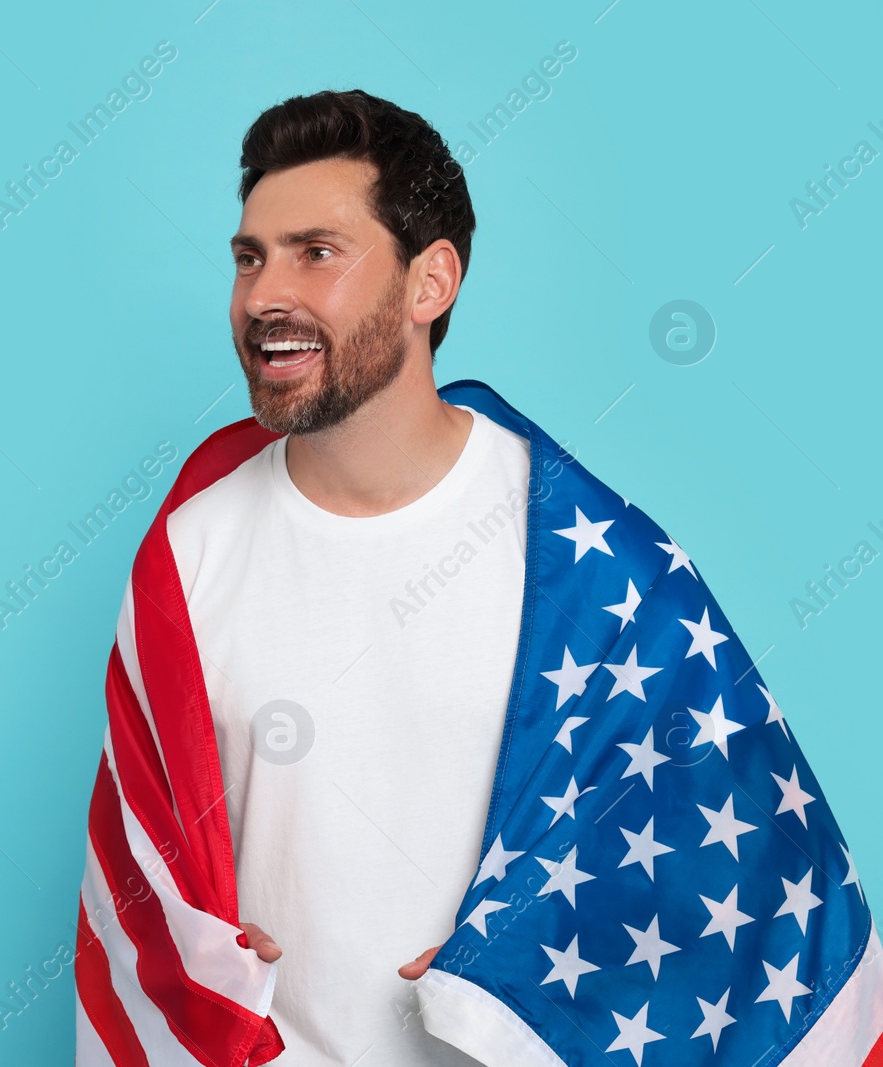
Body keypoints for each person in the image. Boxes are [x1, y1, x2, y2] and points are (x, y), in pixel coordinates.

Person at [73, 89, 881, 1066]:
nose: (263, 296)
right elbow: (140, 880)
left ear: (430, 281)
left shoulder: (594, 562)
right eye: (251, 257)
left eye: (316, 253)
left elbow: (742, 870)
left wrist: (534, 972)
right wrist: (211, 967)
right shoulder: (188, 558)